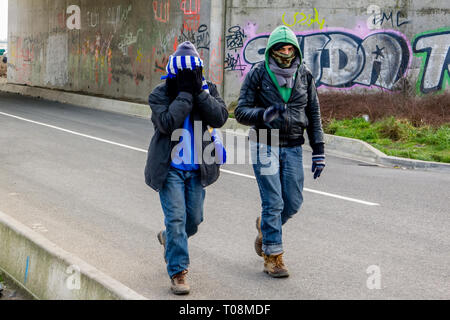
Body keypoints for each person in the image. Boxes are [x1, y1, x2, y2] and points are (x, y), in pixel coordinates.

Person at [234, 25, 325, 278]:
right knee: (273, 201)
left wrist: (318, 149)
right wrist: (263, 114)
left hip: (294, 144)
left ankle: (265, 227)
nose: (286, 53)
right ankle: (273, 256)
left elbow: (313, 113)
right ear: (271, 50)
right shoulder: (258, 73)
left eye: (290, 49)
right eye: (281, 49)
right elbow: (240, 111)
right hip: (264, 139)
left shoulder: (304, 74)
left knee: (293, 203)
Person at [144, 41, 228, 294]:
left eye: (192, 74)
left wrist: (199, 93)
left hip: (197, 168)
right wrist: (183, 94)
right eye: (183, 74)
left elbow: (220, 118)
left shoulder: (208, 90)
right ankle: (178, 272)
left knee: (194, 220)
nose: (188, 78)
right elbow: (167, 123)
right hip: (169, 168)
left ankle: (169, 239)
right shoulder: (160, 94)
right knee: (177, 219)